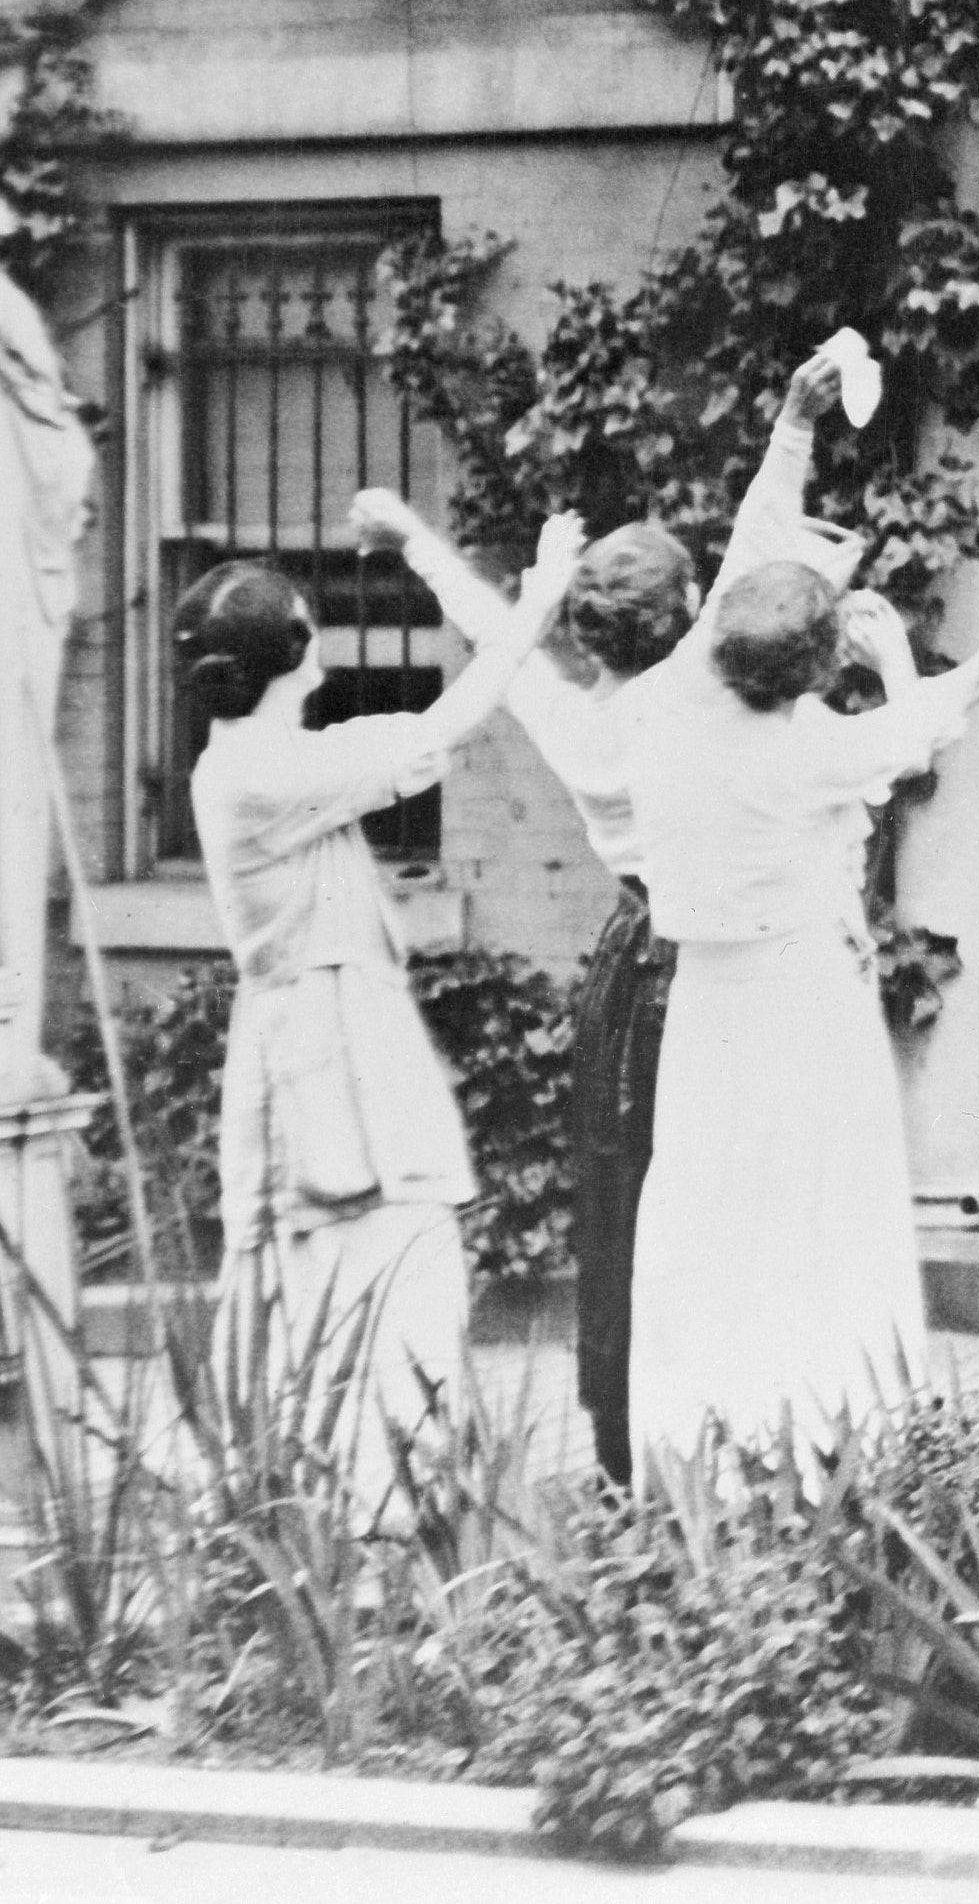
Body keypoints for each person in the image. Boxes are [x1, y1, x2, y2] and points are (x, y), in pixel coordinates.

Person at [626, 367, 979, 1464]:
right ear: (814, 670)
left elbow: (748, 549)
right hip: (803, 1006)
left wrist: (791, 421)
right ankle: (831, 1437)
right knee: (826, 1215)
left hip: (706, 1007)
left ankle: (706, 1448)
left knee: (712, 1213)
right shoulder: (825, 749)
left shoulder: (669, 702)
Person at [181, 515, 584, 1485]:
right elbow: (448, 721)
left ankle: (374, 1491)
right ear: (292, 652)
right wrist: (536, 599)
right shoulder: (265, 773)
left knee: (378, 1257)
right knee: (362, 1263)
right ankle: (362, 1497)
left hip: (339, 1040)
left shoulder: (265, 762)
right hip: (323, 1056)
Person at [350, 484, 696, 1487]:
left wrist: (417, 537)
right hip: (702, 972)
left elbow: (493, 632)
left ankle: (621, 1450)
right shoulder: (697, 700)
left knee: (617, 1209)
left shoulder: (575, 719)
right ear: (680, 618)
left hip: (627, 973)